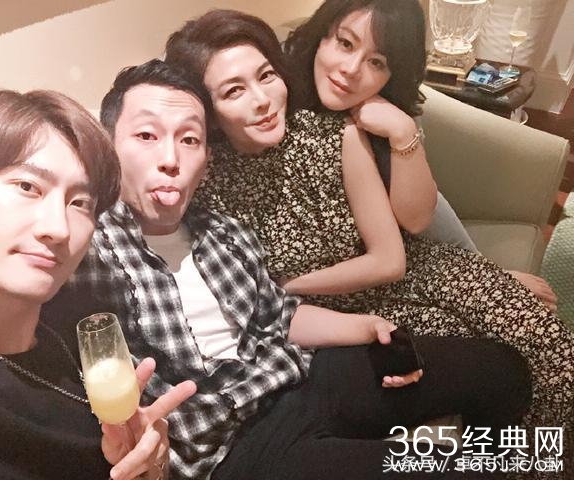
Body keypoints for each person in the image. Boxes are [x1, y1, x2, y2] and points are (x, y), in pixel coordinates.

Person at [44, 59, 532, 480]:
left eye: (189, 139)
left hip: (300, 379)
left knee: (502, 370)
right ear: (110, 148)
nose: (170, 159)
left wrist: (367, 327)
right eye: (146, 136)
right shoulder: (87, 251)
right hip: (235, 451)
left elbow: (280, 315)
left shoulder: (222, 232)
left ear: (206, 159)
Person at [163, 6, 574, 474]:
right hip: (345, 317)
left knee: (553, 352)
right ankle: (519, 464)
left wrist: (282, 289)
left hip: (417, 272)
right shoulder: (203, 181)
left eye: (266, 76)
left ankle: (546, 465)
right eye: (235, 91)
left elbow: (402, 245)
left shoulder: (336, 133)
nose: (261, 100)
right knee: (498, 362)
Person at [0, 89, 196, 480]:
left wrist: (146, 466)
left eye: (80, 203)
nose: (58, 228)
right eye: (28, 187)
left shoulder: (78, 326)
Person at [284, 0, 556, 309]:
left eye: (377, 62)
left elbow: (417, 220)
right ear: (321, 35)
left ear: (392, 75)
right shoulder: (275, 90)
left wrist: (402, 131)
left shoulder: (388, 106)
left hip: (399, 250)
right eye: (346, 43)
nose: (351, 69)